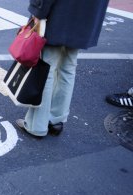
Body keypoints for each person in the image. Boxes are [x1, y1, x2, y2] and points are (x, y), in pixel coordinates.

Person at [16, 0, 109, 138]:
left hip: (59, 11)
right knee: (68, 67)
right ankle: (56, 120)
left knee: (46, 67)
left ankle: (37, 125)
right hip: (88, 13)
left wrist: (38, 10)